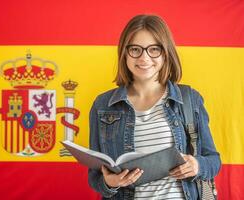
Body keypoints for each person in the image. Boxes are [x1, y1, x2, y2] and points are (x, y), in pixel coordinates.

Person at [88, 15, 221, 200]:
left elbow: (214, 161)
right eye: (135, 49)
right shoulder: (102, 105)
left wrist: (197, 165)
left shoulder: (190, 99)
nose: (144, 58)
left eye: (154, 50)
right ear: (124, 53)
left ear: (166, 53)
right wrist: (110, 183)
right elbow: (95, 177)